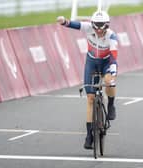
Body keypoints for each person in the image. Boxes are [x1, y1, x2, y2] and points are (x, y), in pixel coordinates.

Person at [57, 10, 118, 149]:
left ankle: (111, 104)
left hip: (107, 63)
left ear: (107, 26)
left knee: (109, 82)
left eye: (102, 26)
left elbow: (114, 56)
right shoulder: (89, 28)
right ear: (92, 24)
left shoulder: (111, 36)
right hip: (91, 63)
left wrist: (112, 73)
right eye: (96, 26)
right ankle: (89, 135)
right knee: (90, 98)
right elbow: (75, 25)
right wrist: (64, 22)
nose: (99, 30)